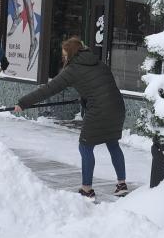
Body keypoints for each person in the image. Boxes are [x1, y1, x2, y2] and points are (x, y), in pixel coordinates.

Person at [13, 37, 128, 198]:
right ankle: (122, 184)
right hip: (117, 107)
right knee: (113, 143)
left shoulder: (73, 69)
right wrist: (85, 97)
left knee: (85, 146)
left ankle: (86, 190)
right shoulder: (99, 63)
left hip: (99, 111)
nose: (63, 57)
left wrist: (23, 103)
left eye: (64, 53)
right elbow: (100, 86)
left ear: (70, 53)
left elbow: (48, 89)